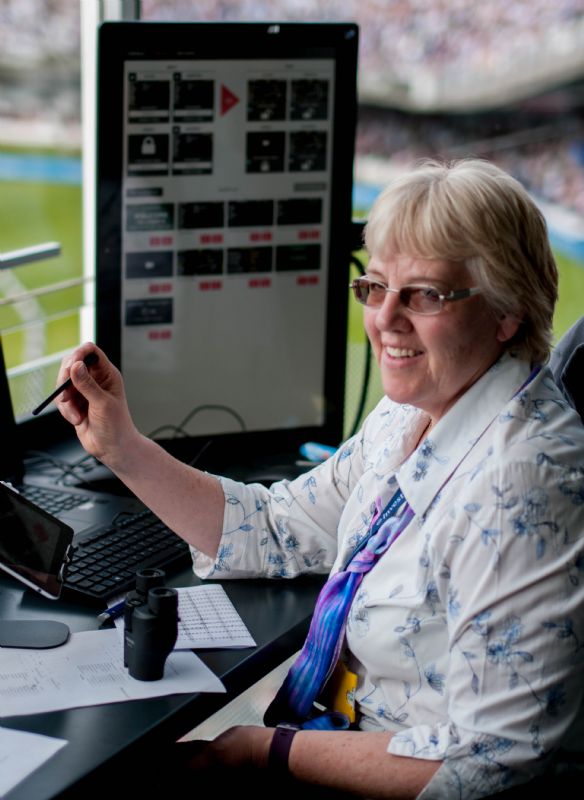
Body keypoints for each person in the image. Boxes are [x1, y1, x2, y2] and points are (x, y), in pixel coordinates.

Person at [56, 159, 584, 799]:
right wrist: (122, 447)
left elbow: (485, 759)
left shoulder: (524, 481)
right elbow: (277, 527)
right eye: (378, 286)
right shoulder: (411, 408)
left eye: (425, 294)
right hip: (336, 732)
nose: (386, 319)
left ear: (507, 312)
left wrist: (260, 750)